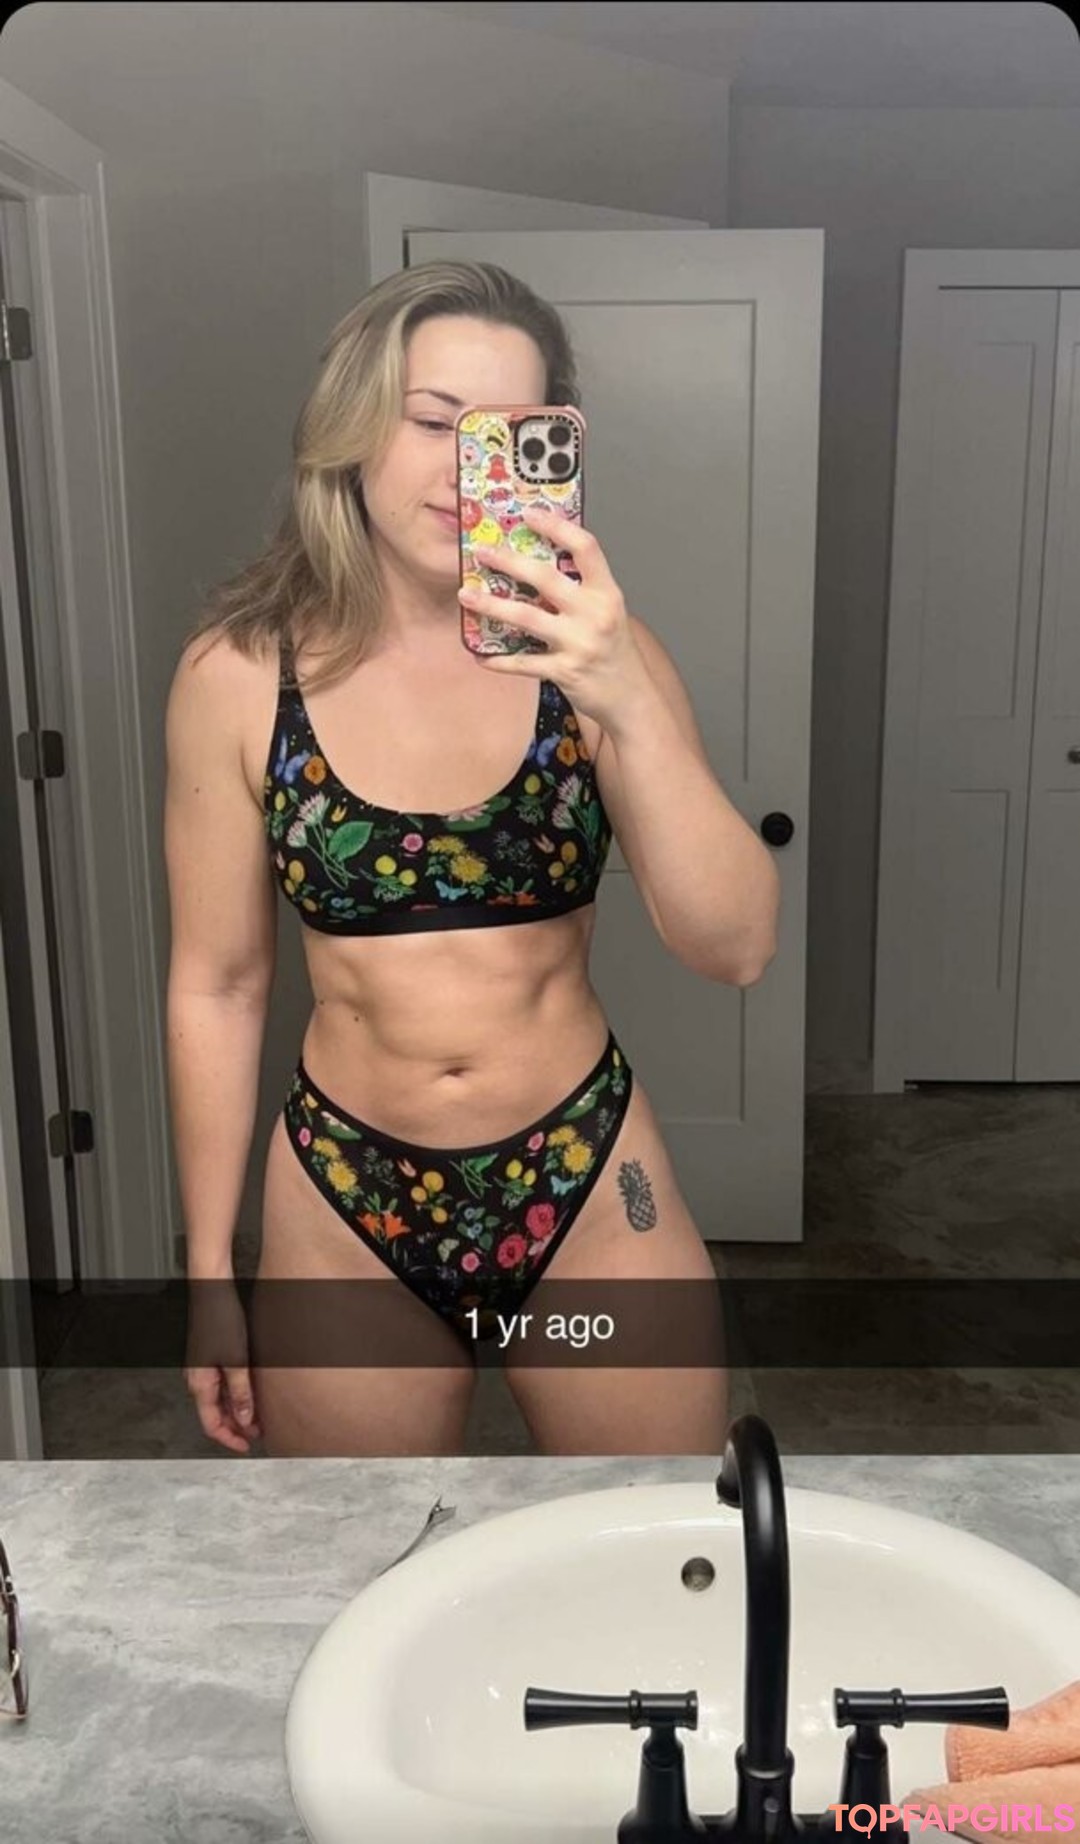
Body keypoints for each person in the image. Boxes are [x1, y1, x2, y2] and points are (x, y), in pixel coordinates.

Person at [165, 260, 779, 1459]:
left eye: (504, 436)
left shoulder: (595, 659)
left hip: (582, 1176)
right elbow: (218, 983)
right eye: (434, 420)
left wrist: (625, 696)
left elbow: (738, 945)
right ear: (352, 427)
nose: (465, 469)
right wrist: (205, 1272)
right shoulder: (237, 676)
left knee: (640, 1534)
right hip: (348, 1198)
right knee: (372, 1548)